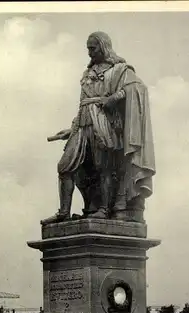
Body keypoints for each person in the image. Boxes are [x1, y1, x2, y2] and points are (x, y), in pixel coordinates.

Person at [42, 31, 155, 224]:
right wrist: (71, 129)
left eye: (92, 48)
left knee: (103, 167)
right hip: (83, 124)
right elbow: (83, 104)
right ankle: (63, 212)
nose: (89, 53)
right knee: (65, 166)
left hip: (103, 123)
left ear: (103, 47)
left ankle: (103, 209)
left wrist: (112, 98)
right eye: (87, 48)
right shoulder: (87, 73)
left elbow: (136, 88)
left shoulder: (120, 70)